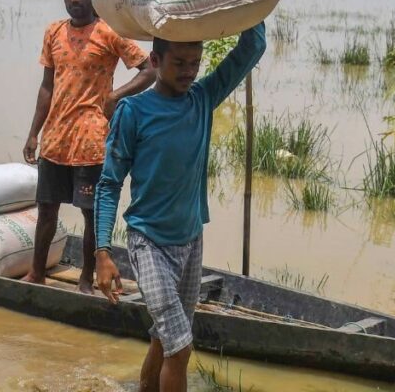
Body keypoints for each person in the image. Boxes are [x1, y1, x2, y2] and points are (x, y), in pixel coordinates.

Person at [93, 22, 266, 392]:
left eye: (195, 63)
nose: (189, 71)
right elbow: (109, 184)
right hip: (149, 243)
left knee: (164, 338)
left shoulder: (202, 98)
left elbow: (251, 49)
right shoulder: (133, 112)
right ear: (155, 60)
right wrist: (102, 251)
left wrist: (251, 8)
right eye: (180, 63)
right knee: (181, 345)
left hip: (190, 241)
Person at [22, 0, 155, 293]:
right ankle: (37, 273)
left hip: (92, 142)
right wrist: (33, 133)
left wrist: (115, 95)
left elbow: (150, 69)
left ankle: (85, 279)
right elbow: (46, 87)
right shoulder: (54, 32)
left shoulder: (109, 32)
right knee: (47, 211)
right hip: (55, 140)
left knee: (91, 214)